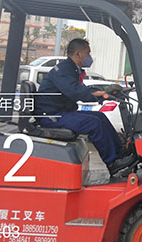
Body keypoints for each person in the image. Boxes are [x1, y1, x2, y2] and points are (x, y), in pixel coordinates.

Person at [34, 38, 136, 176]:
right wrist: (103, 93)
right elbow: (76, 92)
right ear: (78, 54)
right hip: (52, 116)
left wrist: (105, 94)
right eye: (88, 53)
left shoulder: (71, 69)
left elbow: (82, 90)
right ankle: (113, 163)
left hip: (61, 112)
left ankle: (120, 152)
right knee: (93, 123)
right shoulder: (63, 70)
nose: (89, 57)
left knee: (100, 116)